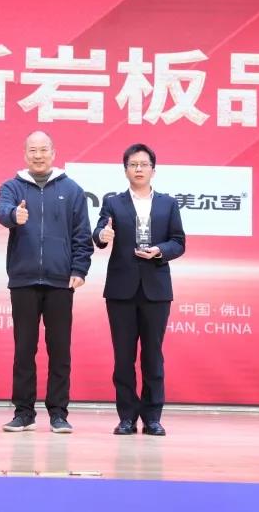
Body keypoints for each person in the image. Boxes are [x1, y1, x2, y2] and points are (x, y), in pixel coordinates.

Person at [0, 131, 93, 433]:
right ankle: (23, 412)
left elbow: (82, 234)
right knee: (24, 348)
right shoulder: (12, 186)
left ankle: (58, 413)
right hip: (23, 279)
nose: (38, 155)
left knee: (59, 349)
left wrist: (79, 269)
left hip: (61, 281)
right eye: (33, 150)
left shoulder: (72, 190)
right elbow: (0, 210)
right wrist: (14, 215)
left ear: (53, 152)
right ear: (25, 154)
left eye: (43, 150)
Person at [92, 143, 185, 436]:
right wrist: (103, 234)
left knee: (153, 356)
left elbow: (178, 242)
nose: (139, 169)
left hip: (156, 289)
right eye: (133, 165)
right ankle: (127, 418)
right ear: (125, 170)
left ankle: (153, 417)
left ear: (153, 170)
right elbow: (98, 234)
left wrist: (160, 250)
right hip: (121, 290)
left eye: (144, 164)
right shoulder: (113, 203)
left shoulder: (168, 204)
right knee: (123, 358)